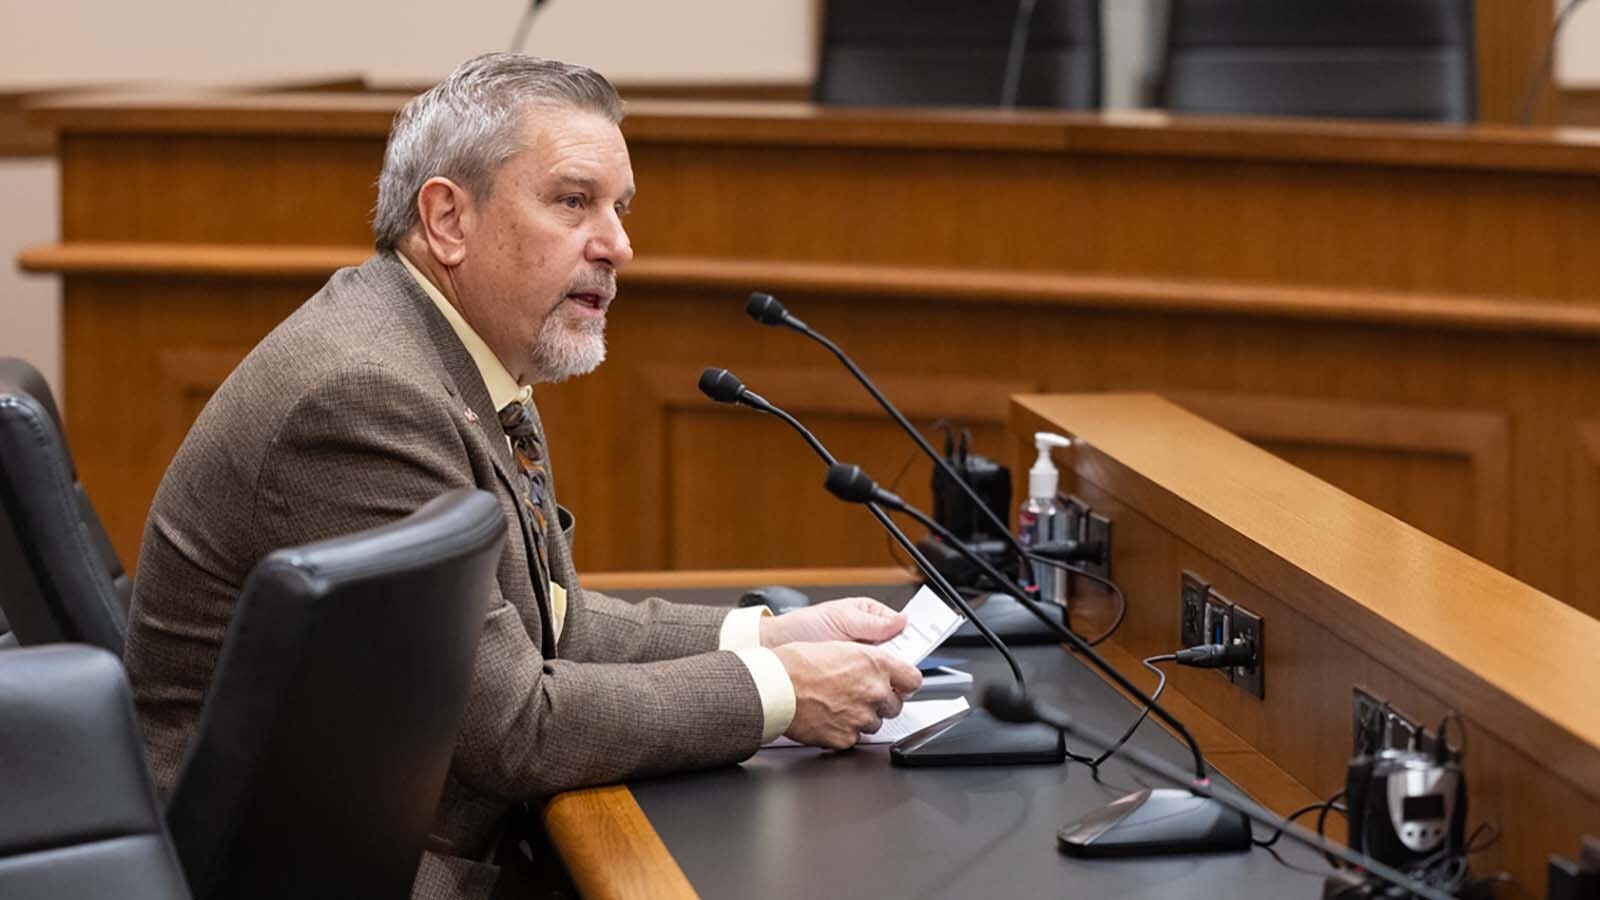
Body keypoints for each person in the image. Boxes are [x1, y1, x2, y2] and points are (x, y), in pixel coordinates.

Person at [123, 53, 923, 899]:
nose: (618, 243)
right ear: (448, 219)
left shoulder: (465, 355)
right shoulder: (361, 398)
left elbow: (541, 626)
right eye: (574, 201)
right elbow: (511, 726)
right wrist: (781, 693)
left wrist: (765, 638)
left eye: (619, 208)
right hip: (323, 868)